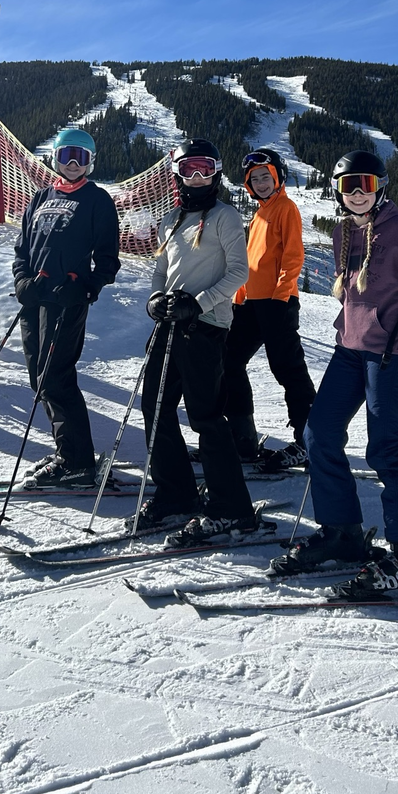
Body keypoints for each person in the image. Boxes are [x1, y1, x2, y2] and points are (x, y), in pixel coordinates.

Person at [270, 149, 398, 598]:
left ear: (380, 188)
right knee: (318, 434)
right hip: (350, 351)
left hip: (391, 355)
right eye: (348, 185)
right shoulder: (343, 230)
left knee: (386, 449)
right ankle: (342, 534)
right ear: (337, 191)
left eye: (367, 185)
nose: (358, 193)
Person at [129, 137, 259, 549]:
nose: (197, 176)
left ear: (216, 174)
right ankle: (177, 492)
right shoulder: (171, 219)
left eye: (205, 168)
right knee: (155, 407)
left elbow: (239, 272)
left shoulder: (225, 217)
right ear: (177, 175)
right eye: (189, 169)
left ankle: (231, 507)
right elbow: (161, 271)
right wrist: (155, 300)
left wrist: (198, 304)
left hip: (206, 326)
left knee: (205, 415)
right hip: (170, 324)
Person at [13, 127, 121, 488]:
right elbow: (22, 249)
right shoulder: (41, 197)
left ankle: (77, 462)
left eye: (81, 157)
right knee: (39, 378)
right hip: (35, 299)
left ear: (91, 162)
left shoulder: (97, 199)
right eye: (66, 156)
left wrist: (86, 287)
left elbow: (107, 258)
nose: (73, 163)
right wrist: (22, 282)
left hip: (66, 300)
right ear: (55, 158)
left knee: (55, 376)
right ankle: (68, 449)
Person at [224, 148, 316, 470]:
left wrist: (281, 296)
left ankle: (310, 442)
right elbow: (252, 262)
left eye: (266, 177)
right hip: (251, 304)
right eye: (255, 179)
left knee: (287, 368)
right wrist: (239, 296)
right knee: (229, 360)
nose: (261, 183)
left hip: (278, 302)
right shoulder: (258, 215)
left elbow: (293, 255)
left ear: (278, 177)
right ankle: (243, 440)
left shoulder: (285, 208)